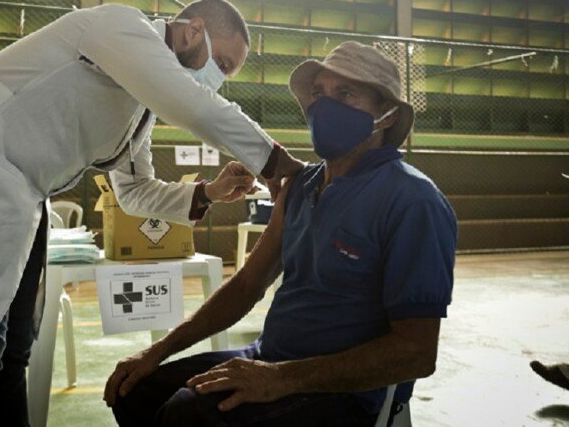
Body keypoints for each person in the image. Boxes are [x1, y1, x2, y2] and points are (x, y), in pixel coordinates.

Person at [0, 0, 303, 426]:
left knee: (16, 350)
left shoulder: (139, 106)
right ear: (193, 31)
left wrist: (208, 192)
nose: (218, 79)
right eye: (221, 64)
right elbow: (194, 105)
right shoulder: (118, 26)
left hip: (22, 195)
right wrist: (279, 165)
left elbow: (134, 191)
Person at [105, 41, 457, 426]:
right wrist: (157, 352)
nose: (325, 105)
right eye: (319, 93)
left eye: (345, 94)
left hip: (342, 392)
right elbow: (246, 286)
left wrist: (282, 379)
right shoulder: (302, 185)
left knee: (187, 417)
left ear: (386, 115)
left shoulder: (412, 200)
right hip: (269, 359)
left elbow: (416, 352)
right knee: (133, 390)